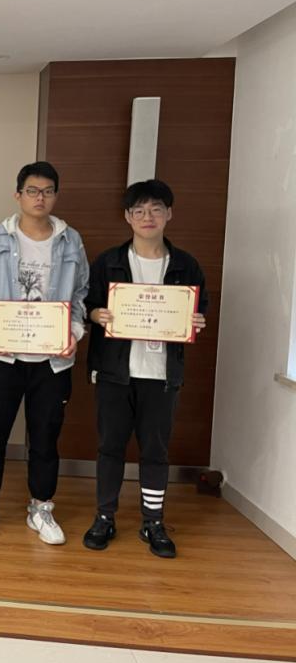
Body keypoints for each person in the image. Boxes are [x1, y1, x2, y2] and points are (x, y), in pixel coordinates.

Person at [83, 179, 207, 558]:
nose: (147, 217)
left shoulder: (186, 265)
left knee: (155, 450)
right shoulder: (108, 261)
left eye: (155, 209)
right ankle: (104, 516)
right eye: (139, 210)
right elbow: (87, 305)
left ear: (169, 214)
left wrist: (196, 321)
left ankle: (153, 521)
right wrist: (97, 314)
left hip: (162, 374)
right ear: (127, 216)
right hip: (115, 372)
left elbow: (200, 309)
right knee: (110, 447)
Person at [0, 161, 88, 544]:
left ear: (55, 196)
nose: (40, 198)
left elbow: (81, 293)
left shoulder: (71, 241)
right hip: (2, 357)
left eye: (47, 191)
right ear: (18, 195)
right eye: (32, 191)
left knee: (46, 436)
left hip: (52, 360)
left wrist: (74, 331)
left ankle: (41, 506)